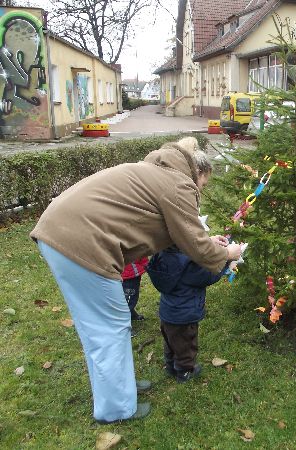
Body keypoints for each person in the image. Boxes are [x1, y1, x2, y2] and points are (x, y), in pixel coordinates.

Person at [30, 137, 242, 424]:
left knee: (101, 328)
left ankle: (120, 387)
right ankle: (117, 409)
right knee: (109, 328)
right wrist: (228, 252)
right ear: (197, 172)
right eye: (203, 185)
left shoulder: (156, 173)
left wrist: (206, 240)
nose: (200, 191)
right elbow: (197, 247)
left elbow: (180, 233)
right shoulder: (178, 184)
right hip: (80, 242)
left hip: (61, 231)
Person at [146, 246, 233, 383]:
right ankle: (185, 371)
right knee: (186, 344)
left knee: (171, 341)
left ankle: (170, 366)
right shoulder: (187, 263)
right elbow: (209, 275)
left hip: (167, 312)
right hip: (185, 315)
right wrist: (227, 259)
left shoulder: (161, 254)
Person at [122, 257, 149, 322]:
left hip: (128, 272)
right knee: (129, 298)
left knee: (128, 296)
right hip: (128, 273)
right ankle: (123, 321)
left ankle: (130, 313)